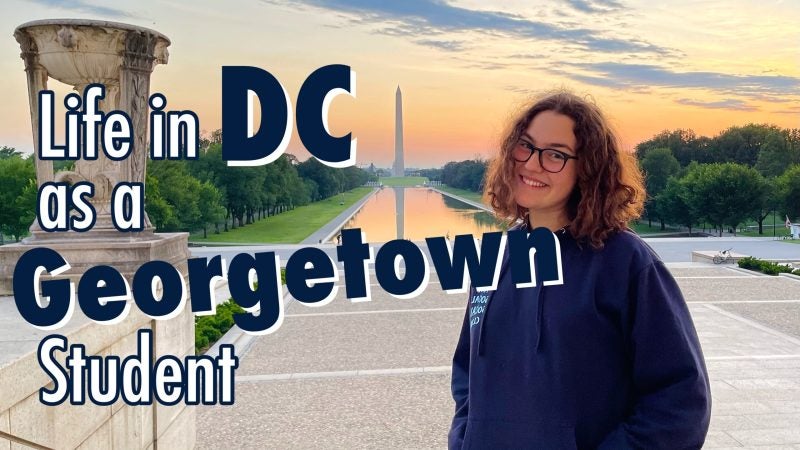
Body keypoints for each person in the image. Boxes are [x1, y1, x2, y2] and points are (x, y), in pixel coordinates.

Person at [447, 91, 711, 449]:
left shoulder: (626, 262)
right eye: (525, 146)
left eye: (555, 154)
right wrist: (465, 438)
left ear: (587, 169)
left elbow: (680, 397)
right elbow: (468, 372)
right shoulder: (494, 257)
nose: (532, 163)